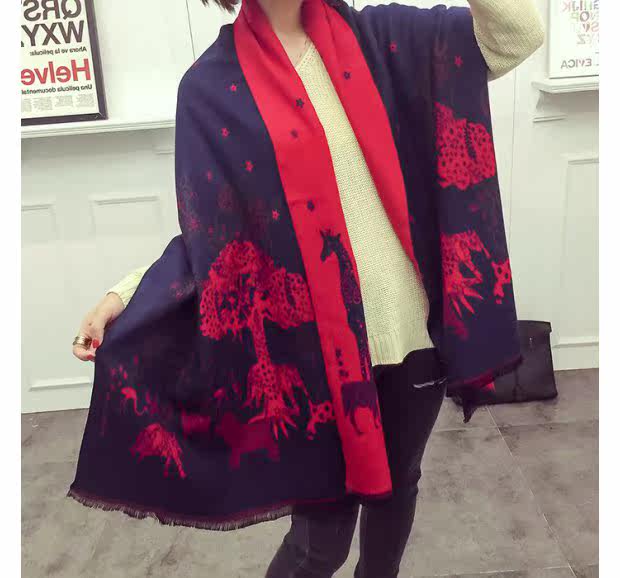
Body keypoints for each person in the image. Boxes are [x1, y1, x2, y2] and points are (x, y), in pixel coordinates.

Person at [71, 1, 544, 577]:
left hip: (409, 336)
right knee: (321, 542)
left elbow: (516, 36)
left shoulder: (385, 40)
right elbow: (209, 234)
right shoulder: (212, 89)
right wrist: (122, 296)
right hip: (313, 358)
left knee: (399, 490)